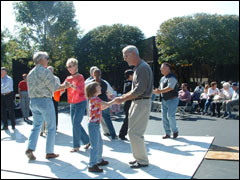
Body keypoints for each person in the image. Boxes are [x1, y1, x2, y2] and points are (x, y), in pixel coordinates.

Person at [25, 52, 71, 160]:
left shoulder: (30, 73)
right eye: (46, 58)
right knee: (51, 127)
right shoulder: (45, 72)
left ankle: (30, 148)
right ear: (42, 59)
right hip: (45, 101)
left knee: (36, 126)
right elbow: (54, 87)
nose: (47, 60)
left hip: (33, 101)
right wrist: (65, 85)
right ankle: (49, 152)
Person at [116, 45, 153, 169]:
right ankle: (139, 157)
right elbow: (136, 90)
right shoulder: (139, 68)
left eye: (126, 56)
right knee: (133, 132)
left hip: (141, 102)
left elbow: (139, 90)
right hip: (137, 102)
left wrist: (123, 98)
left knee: (135, 133)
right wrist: (124, 97)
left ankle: (142, 160)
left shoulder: (142, 68)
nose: (125, 59)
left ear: (133, 54)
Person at [85, 82, 117, 173]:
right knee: (95, 145)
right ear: (94, 89)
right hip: (93, 125)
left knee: (99, 143)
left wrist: (110, 102)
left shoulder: (94, 99)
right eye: (98, 87)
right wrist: (114, 101)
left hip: (95, 124)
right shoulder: (95, 99)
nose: (100, 88)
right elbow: (105, 104)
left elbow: (101, 107)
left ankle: (98, 160)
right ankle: (91, 165)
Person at [64, 58, 90, 152]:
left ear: (76, 66)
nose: (69, 68)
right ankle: (87, 141)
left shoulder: (80, 77)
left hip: (80, 102)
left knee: (76, 123)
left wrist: (71, 86)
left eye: (70, 66)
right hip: (72, 103)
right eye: (67, 67)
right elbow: (63, 87)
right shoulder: (68, 78)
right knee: (75, 124)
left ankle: (76, 146)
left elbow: (81, 90)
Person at [153, 62, 179, 139]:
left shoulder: (172, 77)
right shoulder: (162, 78)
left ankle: (175, 131)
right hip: (164, 100)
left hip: (172, 99)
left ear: (168, 68)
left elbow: (170, 87)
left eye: (163, 68)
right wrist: (157, 91)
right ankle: (167, 133)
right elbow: (160, 89)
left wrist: (159, 91)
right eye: (161, 68)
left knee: (170, 116)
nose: (161, 69)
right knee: (164, 117)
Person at [91, 69, 117, 139]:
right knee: (107, 119)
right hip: (104, 101)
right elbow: (110, 92)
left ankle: (96, 136)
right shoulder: (104, 83)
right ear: (100, 74)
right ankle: (113, 134)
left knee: (95, 120)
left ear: (93, 75)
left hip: (95, 103)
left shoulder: (92, 83)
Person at [119, 69, 134, 141]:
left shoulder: (126, 83)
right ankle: (122, 134)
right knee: (128, 119)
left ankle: (125, 133)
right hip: (129, 103)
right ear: (130, 76)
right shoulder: (131, 84)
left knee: (129, 119)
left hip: (127, 103)